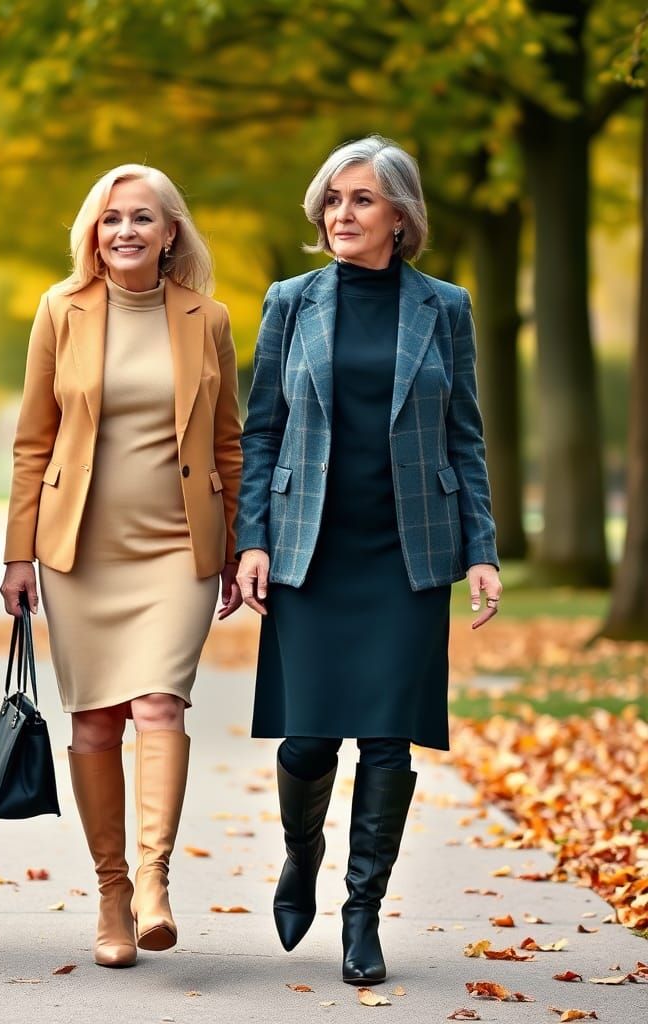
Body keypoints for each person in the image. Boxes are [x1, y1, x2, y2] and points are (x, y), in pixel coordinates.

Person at [234, 136, 501, 985]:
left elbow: (464, 432)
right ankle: (300, 851)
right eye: (333, 200)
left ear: (401, 216)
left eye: (361, 200)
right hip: (311, 545)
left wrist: (483, 550)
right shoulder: (291, 301)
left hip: (407, 549)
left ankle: (362, 914)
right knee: (308, 742)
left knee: (388, 742)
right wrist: (253, 538)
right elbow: (263, 427)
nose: (341, 214)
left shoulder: (445, 307)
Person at [0, 164, 242, 968]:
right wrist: (18, 555)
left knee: (159, 705)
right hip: (81, 551)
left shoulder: (209, 319)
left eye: (143, 218)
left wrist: (237, 547)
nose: (125, 231)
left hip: (179, 545)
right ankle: (111, 893)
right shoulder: (59, 312)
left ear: (172, 232)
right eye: (111, 220)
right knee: (95, 720)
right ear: (93, 233)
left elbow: (228, 443)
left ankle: (154, 881)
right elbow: (34, 441)